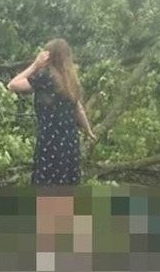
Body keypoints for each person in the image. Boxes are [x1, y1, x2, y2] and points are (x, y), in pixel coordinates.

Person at [7, 38, 95, 186]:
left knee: (48, 181)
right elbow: (78, 109)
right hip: (69, 139)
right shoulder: (71, 80)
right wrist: (88, 130)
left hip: (50, 139)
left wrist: (35, 65)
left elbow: (12, 85)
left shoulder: (45, 77)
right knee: (66, 179)